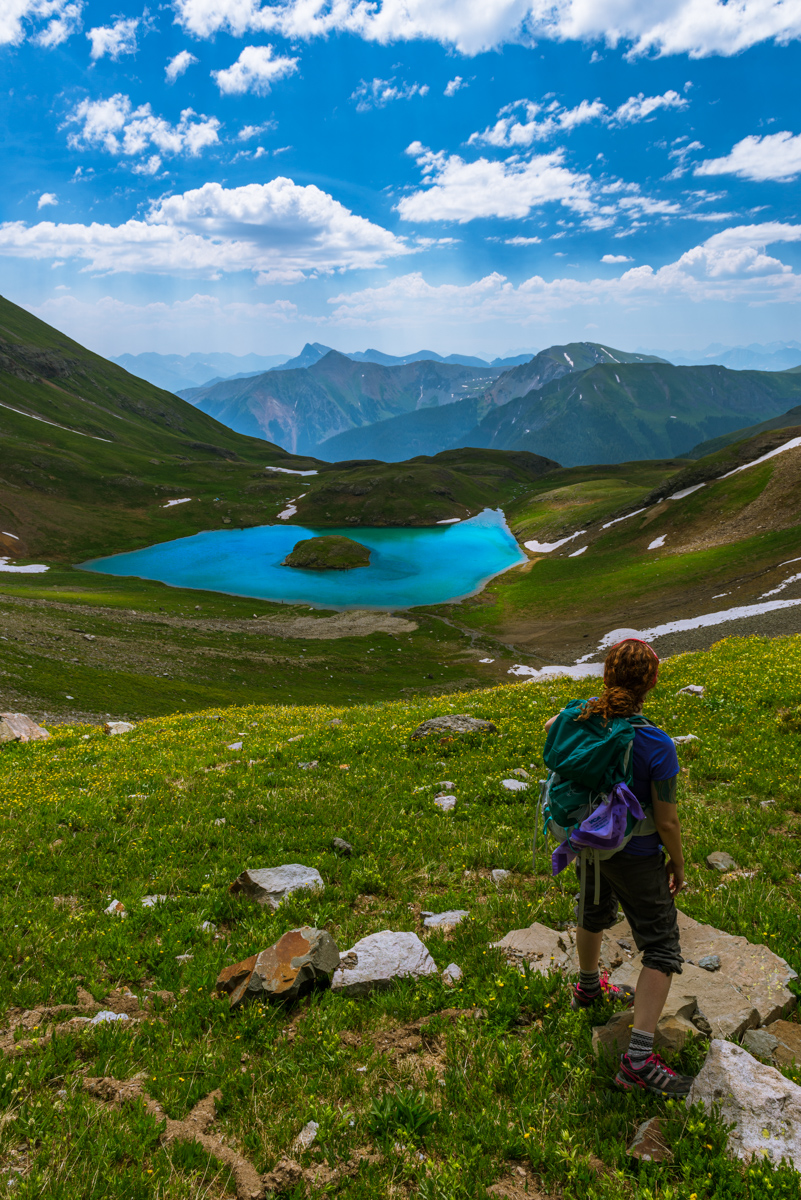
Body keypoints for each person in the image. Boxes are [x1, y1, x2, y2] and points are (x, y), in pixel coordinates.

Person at [544, 637, 694, 1097]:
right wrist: (678, 862)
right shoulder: (656, 743)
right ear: (651, 682)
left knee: (593, 905)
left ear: (607, 676)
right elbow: (665, 819)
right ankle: (638, 1061)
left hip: (583, 838)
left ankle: (587, 988)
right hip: (632, 851)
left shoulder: (579, 716)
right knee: (663, 948)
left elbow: (551, 725)